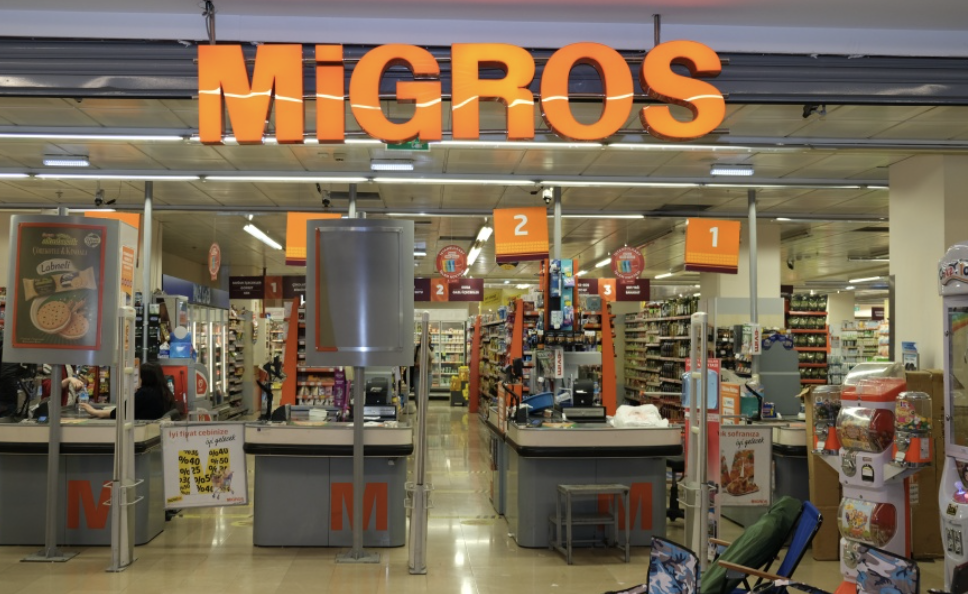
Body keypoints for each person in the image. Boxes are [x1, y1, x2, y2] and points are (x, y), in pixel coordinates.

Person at [81, 362, 178, 421]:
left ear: (144, 378)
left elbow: (119, 413)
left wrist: (95, 412)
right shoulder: (164, 393)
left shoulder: (144, 394)